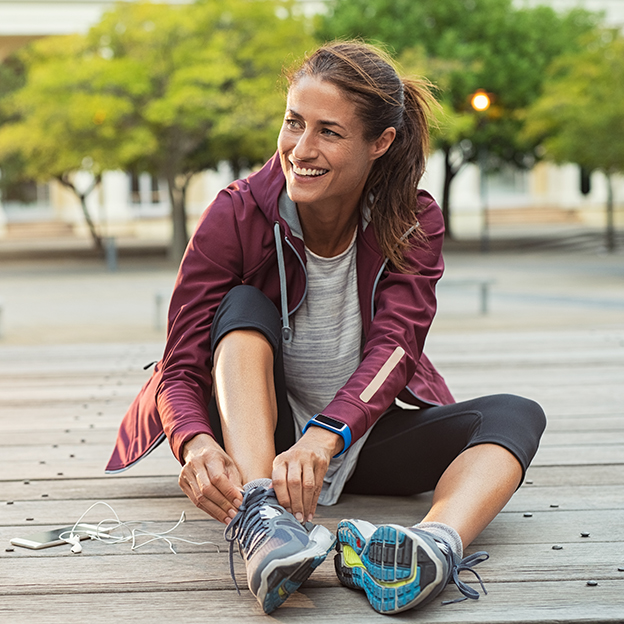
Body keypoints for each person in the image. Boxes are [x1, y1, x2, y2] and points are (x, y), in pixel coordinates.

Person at [106, 41, 546, 615]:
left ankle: (433, 547)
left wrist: (327, 433)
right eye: (293, 123)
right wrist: (194, 441)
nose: (301, 149)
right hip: (261, 442)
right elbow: (180, 364)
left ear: (380, 143)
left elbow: (397, 347)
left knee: (516, 414)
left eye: (329, 132)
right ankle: (263, 523)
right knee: (241, 306)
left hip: (354, 436)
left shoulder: (413, 219)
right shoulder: (236, 214)